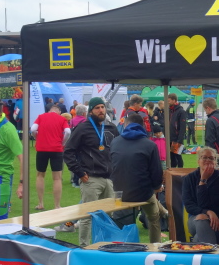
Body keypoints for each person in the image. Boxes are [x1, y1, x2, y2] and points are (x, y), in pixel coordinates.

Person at [61, 97, 119, 245]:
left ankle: (105, 246)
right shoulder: (82, 128)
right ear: (91, 111)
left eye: (102, 107)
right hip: (91, 179)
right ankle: (84, 247)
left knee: (108, 216)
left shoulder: (111, 128)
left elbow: (119, 149)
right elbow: (68, 151)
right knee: (87, 216)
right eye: (97, 108)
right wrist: (79, 172)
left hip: (109, 179)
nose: (101, 110)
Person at [110, 111, 165, 243]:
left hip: (119, 192)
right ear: (143, 126)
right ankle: (155, 245)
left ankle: (166, 212)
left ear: (126, 125)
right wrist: (157, 186)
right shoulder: (150, 145)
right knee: (154, 217)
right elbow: (157, 172)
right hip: (143, 193)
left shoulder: (115, 142)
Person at [182, 147, 219, 244]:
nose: (208, 160)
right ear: (198, 161)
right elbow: (189, 205)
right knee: (201, 219)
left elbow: (206, 204)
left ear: (215, 162)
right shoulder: (189, 178)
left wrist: (203, 181)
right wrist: (207, 212)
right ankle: (210, 252)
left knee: (198, 237)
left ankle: (204, 251)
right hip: (195, 220)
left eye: (211, 158)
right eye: (204, 157)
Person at [31, 105, 71, 210]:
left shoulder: (41, 117)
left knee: (40, 175)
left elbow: (33, 129)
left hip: (42, 149)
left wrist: (37, 137)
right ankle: (57, 206)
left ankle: (40, 203)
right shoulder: (61, 119)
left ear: (49, 111)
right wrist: (63, 142)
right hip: (56, 149)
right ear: (59, 112)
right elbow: (68, 132)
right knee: (57, 178)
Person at [167, 93, 187, 168]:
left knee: (178, 156)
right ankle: (173, 171)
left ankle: (181, 171)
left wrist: (179, 140)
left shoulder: (181, 111)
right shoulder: (169, 110)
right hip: (170, 138)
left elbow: (183, 127)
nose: (168, 102)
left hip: (177, 138)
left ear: (174, 100)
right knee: (172, 157)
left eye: (169, 101)